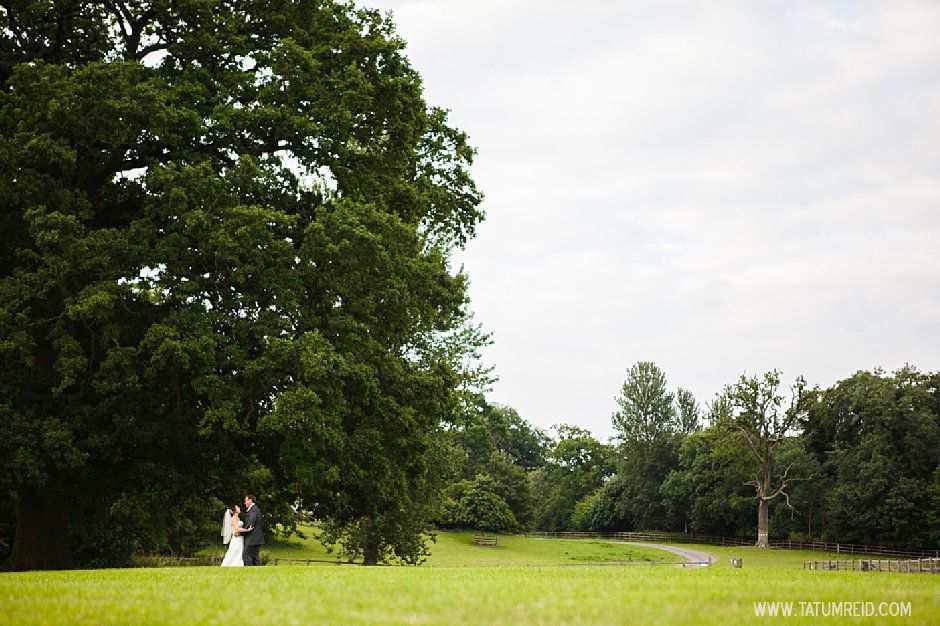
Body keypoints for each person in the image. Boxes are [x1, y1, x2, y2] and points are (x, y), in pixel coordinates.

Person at [238, 494, 264, 566]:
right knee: (254, 557)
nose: (245, 503)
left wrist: (241, 533)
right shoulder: (254, 509)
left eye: (245, 501)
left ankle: (249, 571)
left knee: (246, 556)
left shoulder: (253, 510)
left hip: (252, 538)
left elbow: (250, 523)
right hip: (256, 538)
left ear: (250, 500)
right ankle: (256, 573)